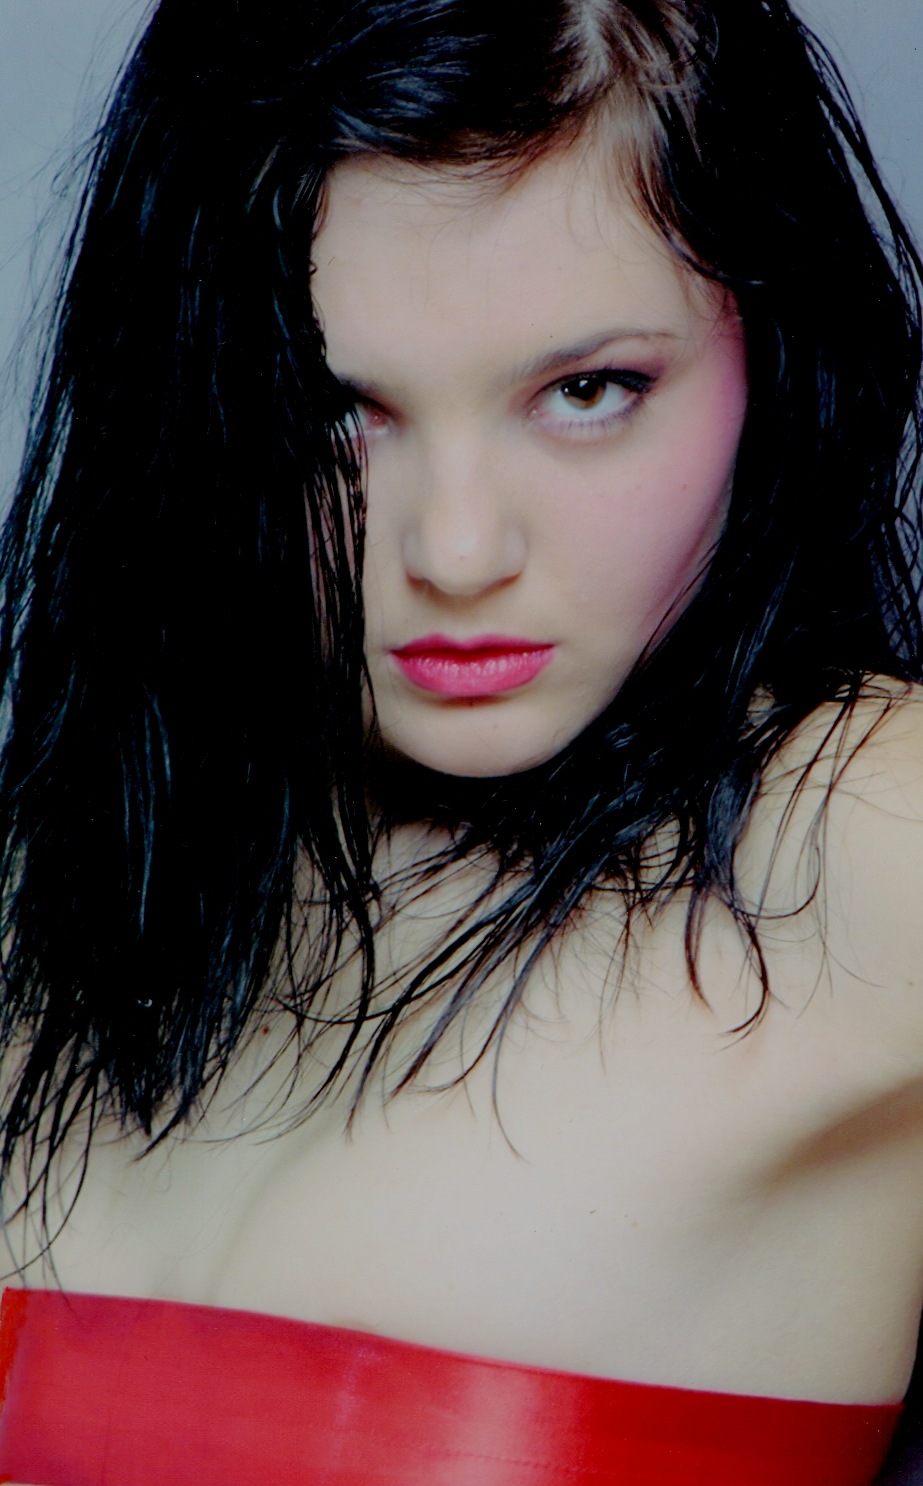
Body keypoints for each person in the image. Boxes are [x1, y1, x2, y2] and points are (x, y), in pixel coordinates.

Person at [0, 0, 921, 1481]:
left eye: (588, 391)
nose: (457, 549)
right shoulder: (71, 881)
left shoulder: (862, 829)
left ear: (774, 339)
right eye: (332, 410)